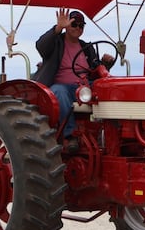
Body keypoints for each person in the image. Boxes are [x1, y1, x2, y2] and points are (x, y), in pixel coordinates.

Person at [33, 8, 103, 150]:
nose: (78, 28)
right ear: (67, 26)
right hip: (63, 87)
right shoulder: (56, 42)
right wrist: (58, 28)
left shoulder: (87, 47)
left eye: (81, 25)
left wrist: (106, 64)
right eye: (74, 24)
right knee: (59, 91)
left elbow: (95, 69)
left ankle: (105, 132)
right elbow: (41, 45)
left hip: (84, 89)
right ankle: (69, 135)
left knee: (106, 88)